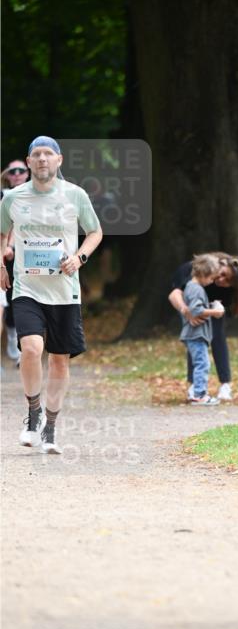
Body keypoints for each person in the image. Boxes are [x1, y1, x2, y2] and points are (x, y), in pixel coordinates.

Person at [0, 137, 103, 453]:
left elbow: (95, 231)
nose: (42, 159)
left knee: (60, 361)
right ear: (28, 163)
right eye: (36, 154)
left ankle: (51, 430)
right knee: (31, 348)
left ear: (58, 160)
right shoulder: (12, 198)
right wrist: (2, 266)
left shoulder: (75, 195)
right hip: (27, 287)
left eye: (48, 154)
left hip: (64, 290)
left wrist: (80, 258)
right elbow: (3, 231)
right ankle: (33, 414)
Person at [168, 252, 238, 401]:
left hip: (213, 306)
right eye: (222, 274)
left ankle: (225, 384)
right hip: (190, 305)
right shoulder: (197, 270)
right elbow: (174, 294)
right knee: (196, 340)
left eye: (228, 281)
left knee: (217, 336)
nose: (221, 279)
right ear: (222, 263)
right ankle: (195, 386)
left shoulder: (237, 284)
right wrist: (186, 311)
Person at [179, 254, 225, 406]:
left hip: (196, 334)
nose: (212, 281)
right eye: (211, 278)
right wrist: (215, 312)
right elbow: (196, 309)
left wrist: (211, 306)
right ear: (203, 275)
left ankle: (198, 393)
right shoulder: (196, 289)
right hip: (195, 334)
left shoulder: (191, 287)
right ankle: (199, 395)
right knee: (202, 364)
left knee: (201, 363)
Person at [1, 159, 30, 364]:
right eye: (13, 171)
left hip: (32, 253)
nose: (17, 174)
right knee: (10, 298)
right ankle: (13, 341)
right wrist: (7, 247)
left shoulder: (36, 196)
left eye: (21, 170)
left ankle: (22, 346)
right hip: (9, 255)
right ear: (7, 175)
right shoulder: (3, 197)